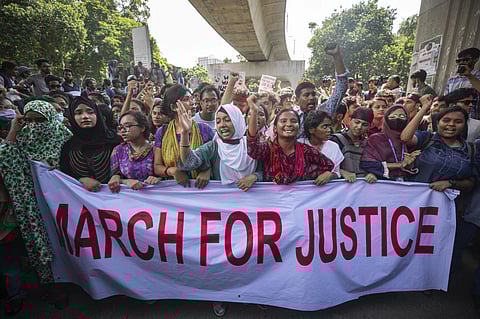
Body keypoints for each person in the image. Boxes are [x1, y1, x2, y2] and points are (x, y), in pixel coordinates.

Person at [0, 100, 72, 308]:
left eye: (39, 120)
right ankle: (51, 287)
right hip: (33, 206)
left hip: (61, 205)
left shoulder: (64, 137)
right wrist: (14, 129)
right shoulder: (22, 140)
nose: (33, 126)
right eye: (28, 121)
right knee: (40, 244)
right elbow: (5, 158)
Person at [247, 95, 334, 185]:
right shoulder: (268, 149)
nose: (289, 124)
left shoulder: (305, 151)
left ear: (299, 127)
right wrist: (254, 111)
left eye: (293, 121)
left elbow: (328, 165)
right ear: (275, 128)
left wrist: (329, 174)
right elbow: (253, 148)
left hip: (299, 198)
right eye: (283, 121)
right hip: (271, 198)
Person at [177, 102, 262, 190]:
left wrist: (255, 177)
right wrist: (185, 133)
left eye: (227, 120)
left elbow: (264, 171)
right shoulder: (214, 147)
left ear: (237, 121)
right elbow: (188, 163)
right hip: (223, 201)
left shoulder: (251, 146)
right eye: (218, 121)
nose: (222, 125)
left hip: (249, 201)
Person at [153, 84, 214, 185]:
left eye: (192, 98)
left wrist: (206, 171)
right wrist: (173, 171)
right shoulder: (162, 132)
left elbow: (215, 159)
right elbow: (157, 167)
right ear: (173, 107)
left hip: (201, 188)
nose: (193, 102)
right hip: (174, 191)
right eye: (186, 99)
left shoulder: (204, 129)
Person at [60, 96, 121, 191]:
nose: (85, 116)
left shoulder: (115, 141)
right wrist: (81, 179)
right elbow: (64, 174)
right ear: (72, 116)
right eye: (78, 113)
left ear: (97, 114)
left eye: (90, 112)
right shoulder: (69, 146)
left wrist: (117, 176)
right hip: (82, 200)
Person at [296, 44, 348, 138]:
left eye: (313, 94)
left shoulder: (324, 111)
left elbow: (342, 85)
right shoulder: (291, 117)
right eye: (306, 95)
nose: (311, 98)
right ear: (296, 100)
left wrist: (337, 57)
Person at [360, 104, 421, 181]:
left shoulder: (411, 141)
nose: (397, 119)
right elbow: (367, 163)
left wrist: (409, 165)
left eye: (402, 117)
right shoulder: (376, 139)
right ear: (386, 120)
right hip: (381, 183)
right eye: (392, 117)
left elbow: (413, 169)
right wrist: (398, 165)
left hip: (403, 186)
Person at [108, 111, 158, 192]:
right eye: (120, 127)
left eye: (127, 126)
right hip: (129, 199)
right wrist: (126, 181)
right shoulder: (118, 151)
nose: (123, 130)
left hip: (155, 197)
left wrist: (158, 179)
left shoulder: (156, 149)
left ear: (142, 127)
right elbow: (115, 178)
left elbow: (166, 176)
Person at [330, 107, 378, 183]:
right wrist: (341, 172)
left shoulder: (368, 144)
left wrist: (372, 174)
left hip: (363, 187)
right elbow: (326, 165)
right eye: (357, 122)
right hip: (340, 186)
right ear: (350, 121)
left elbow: (373, 165)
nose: (359, 127)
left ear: (369, 127)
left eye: (364, 125)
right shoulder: (336, 140)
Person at [300, 110, 345, 182]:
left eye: (329, 126)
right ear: (311, 130)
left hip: (325, 192)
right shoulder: (299, 145)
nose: (329, 130)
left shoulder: (334, 147)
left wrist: (329, 175)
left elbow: (337, 173)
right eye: (324, 127)